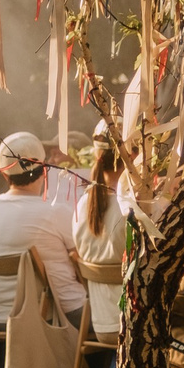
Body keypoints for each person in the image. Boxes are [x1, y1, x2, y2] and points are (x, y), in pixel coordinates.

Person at [0, 131, 87, 326]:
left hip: (4, 320)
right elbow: (83, 262)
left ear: (4, 174)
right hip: (59, 317)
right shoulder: (55, 213)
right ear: (45, 170)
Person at [71, 129, 130, 336]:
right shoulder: (132, 208)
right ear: (131, 156)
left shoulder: (82, 205)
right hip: (136, 326)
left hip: (100, 324)